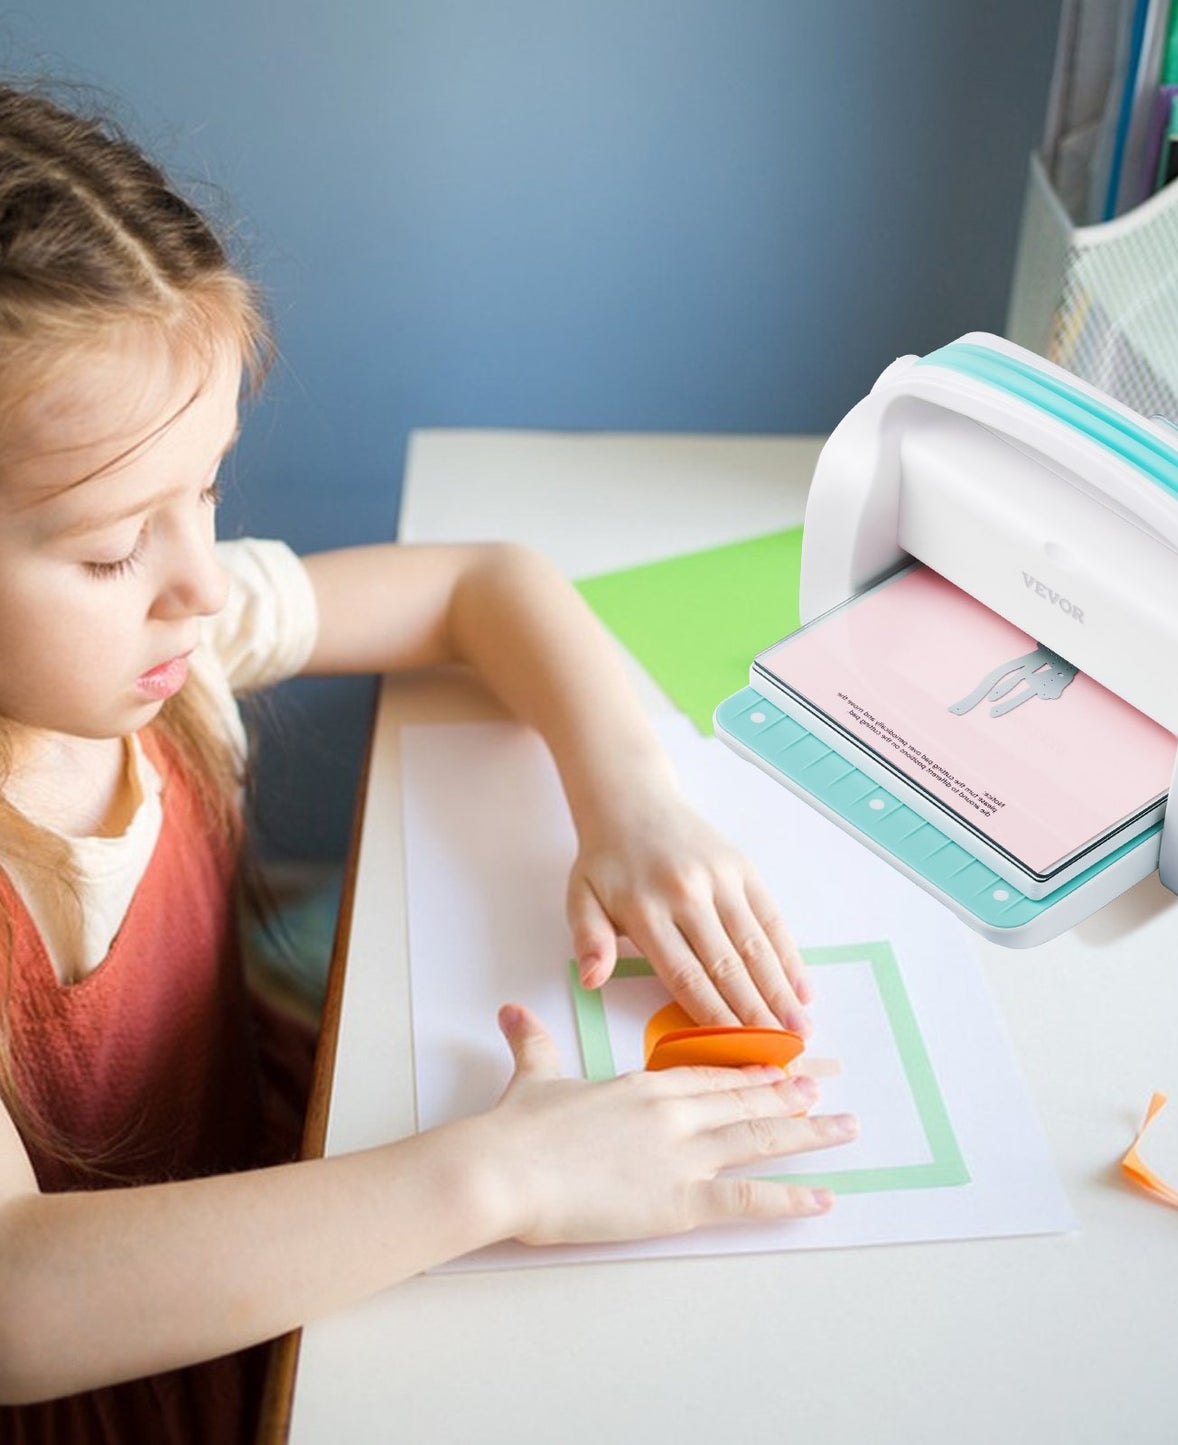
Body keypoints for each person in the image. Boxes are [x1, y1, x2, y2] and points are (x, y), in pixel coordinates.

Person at [0, 83, 857, 1442]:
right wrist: (502, 1177)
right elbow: (21, 1301)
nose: (201, 586)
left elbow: (482, 583)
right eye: (111, 548)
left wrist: (626, 797)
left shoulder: (162, 641)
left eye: (208, 488)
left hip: (277, 1188)